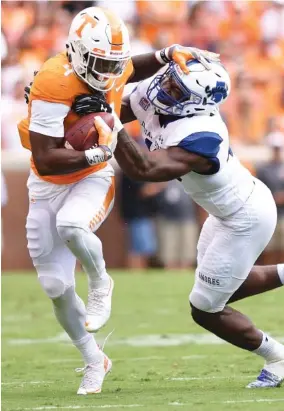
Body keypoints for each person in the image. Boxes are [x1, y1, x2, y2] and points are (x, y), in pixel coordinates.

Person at [19, 6, 219, 395]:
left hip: (92, 179)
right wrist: (94, 151)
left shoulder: (110, 65)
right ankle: (95, 360)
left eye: (112, 63)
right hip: (48, 182)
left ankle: (100, 282)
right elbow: (45, 157)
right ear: (76, 50)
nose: (108, 74)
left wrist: (166, 53)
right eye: (99, 62)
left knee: (72, 225)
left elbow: (129, 67)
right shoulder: (53, 83)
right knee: (55, 288)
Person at [90, 58, 284, 388]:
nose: (166, 88)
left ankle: (279, 355)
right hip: (228, 211)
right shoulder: (169, 93)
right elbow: (116, 107)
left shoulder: (202, 136)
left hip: (244, 216)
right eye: (171, 80)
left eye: (176, 88)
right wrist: (77, 102)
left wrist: (107, 121)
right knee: (218, 288)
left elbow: (143, 169)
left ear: (196, 102)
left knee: (205, 308)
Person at [257, 133, 284, 264]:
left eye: (278, 148)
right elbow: (257, 190)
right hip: (269, 214)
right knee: (268, 250)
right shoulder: (263, 169)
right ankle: (269, 279)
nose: (276, 151)